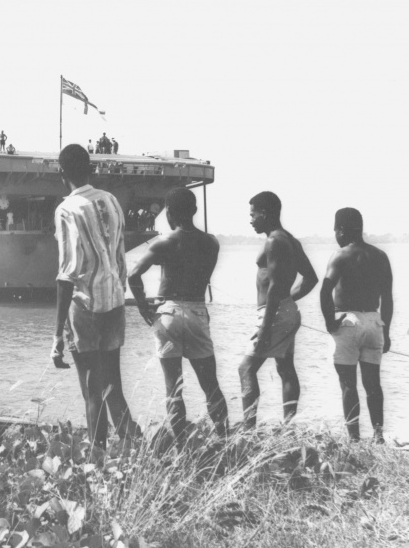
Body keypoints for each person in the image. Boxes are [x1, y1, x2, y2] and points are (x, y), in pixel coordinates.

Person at [50, 144, 142, 452]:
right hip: (115, 302)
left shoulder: (66, 209)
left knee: (91, 390)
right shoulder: (111, 200)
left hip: (85, 305)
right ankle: (137, 446)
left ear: (62, 173)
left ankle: (98, 455)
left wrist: (57, 336)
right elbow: (120, 256)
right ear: (89, 168)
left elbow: (66, 274)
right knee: (112, 386)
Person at [128, 188, 228, 442]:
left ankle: (181, 448)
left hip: (169, 312)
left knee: (174, 387)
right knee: (211, 386)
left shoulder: (165, 243)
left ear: (170, 214)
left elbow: (133, 275)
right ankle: (225, 442)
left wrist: (144, 309)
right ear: (194, 211)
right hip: (196, 310)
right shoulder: (211, 243)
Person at [239, 191, 318, 429]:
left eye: (253, 214)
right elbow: (311, 278)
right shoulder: (290, 240)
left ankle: (248, 429)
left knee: (246, 368)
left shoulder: (274, 241)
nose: (251, 220)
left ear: (265, 213)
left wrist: (265, 329)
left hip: (273, 313)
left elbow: (273, 286)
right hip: (285, 310)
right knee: (285, 368)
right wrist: (288, 301)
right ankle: (288, 427)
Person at [320, 208, 393, 443]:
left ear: (341, 229)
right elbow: (388, 299)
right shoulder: (380, 256)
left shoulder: (340, 255)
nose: (335, 235)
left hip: (347, 322)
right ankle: (378, 436)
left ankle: (354, 440)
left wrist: (330, 322)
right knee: (373, 384)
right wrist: (387, 332)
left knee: (348, 385)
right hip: (374, 321)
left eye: (335, 230)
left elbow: (325, 291)